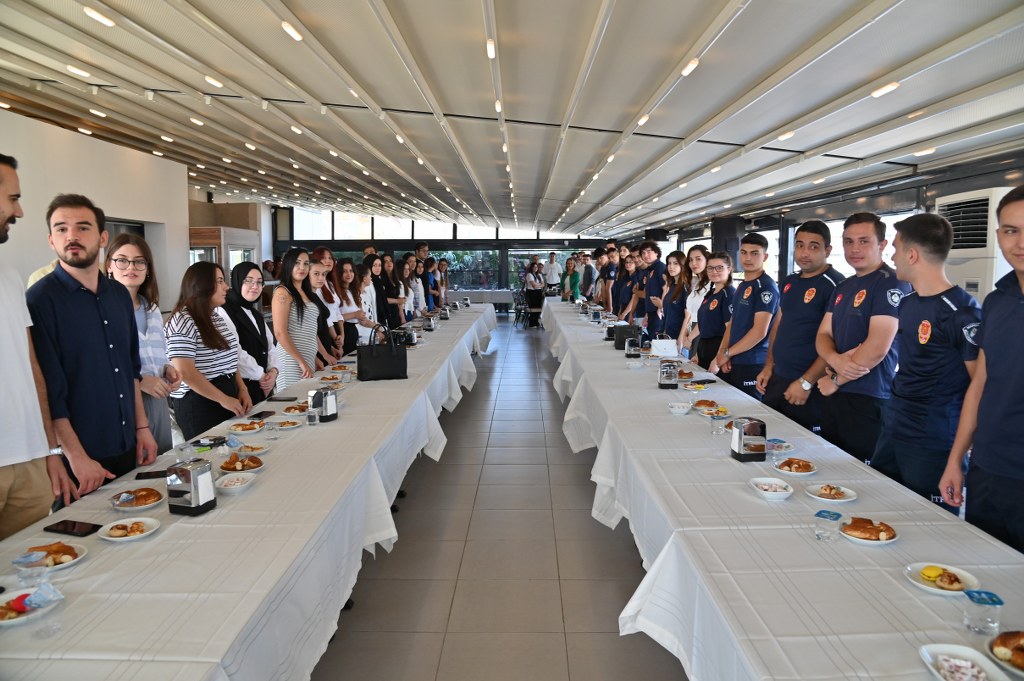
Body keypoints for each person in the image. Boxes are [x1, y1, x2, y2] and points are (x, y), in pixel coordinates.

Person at [28, 193, 158, 494]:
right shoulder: (39, 301)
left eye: (82, 227)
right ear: (51, 240)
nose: (71, 236)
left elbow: (130, 371)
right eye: (61, 228)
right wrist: (74, 456)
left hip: (128, 441)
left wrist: (142, 428)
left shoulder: (117, 295)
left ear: (102, 237)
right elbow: (49, 390)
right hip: (80, 457)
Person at [865, 214, 980, 513]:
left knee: (929, 526)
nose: (893, 256)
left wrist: (958, 457)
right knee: (880, 512)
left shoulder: (962, 313)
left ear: (912, 254)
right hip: (894, 427)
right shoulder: (908, 302)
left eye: (897, 248)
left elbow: (980, 388)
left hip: (932, 439)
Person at [940, 185, 1024, 550]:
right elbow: (981, 384)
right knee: (985, 578)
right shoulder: (997, 299)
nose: (1020, 242)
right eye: (1011, 230)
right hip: (988, 468)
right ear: (998, 236)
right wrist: (957, 459)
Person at [0, 154, 75, 537]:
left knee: (29, 575)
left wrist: (50, 450)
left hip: (27, 459)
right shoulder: (39, 288)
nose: (20, 210)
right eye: (12, 198)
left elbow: (32, 370)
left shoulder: (10, 277)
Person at [816, 213, 911, 463]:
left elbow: (877, 347)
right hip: (834, 397)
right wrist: (836, 360)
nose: (854, 249)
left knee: (862, 478)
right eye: (848, 242)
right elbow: (823, 335)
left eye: (863, 241)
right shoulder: (843, 287)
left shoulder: (892, 284)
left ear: (882, 245)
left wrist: (837, 379)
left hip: (868, 398)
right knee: (830, 470)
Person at [755, 221, 844, 432]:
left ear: (828, 250)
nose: (805, 253)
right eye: (799, 245)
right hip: (778, 378)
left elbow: (836, 342)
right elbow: (779, 323)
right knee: (766, 440)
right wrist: (769, 366)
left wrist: (806, 382)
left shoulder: (835, 285)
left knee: (801, 452)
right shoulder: (789, 281)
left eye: (813, 246)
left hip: (809, 385)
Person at [105, 233, 182, 453]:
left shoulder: (152, 309)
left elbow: (160, 353)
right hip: (124, 402)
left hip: (157, 399)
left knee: (161, 463)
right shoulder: (103, 311)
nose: (131, 267)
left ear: (148, 268)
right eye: (122, 260)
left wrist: (167, 368)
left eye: (139, 261)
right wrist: (139, 380)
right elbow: (103, 363)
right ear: (109, 265)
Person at [165, 262, 250, 440]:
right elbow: (186, 372)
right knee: (209, 458)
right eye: (219, 281)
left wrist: (242, 389)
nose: (226, 287)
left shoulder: (215, 316)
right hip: (200, 402)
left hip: (226, 396)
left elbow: (230, 361)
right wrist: (223, 399)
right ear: (201, 285)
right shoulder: (182, 320)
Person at [714, 233, 778, 400]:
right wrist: (723, 352)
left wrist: (728, 353)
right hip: (735, 359)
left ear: (765, 256)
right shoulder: (742, 285)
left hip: (753, 363)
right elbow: (733, 322)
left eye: (754, 253)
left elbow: (759, 332)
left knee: (748, 416)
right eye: (743, 252)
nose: (748, 258)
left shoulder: (766, 287)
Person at [216, 262, 279, 408]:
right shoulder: (224, 310)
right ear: (237, 281)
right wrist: (261, 376)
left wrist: (273, 371)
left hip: (262, 386)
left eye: (259, 282)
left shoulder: (256, 314)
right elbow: (234, 351)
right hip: (241, 388)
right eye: (248, 281)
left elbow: (271, 347)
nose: (255, 286)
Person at [273, 248, 323, 390]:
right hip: (291, 361)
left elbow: (309, 329)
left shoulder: (306, 292)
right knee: (293, 405)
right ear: (288, 264)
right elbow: (280, 333)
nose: (302, 267)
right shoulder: (283, 292)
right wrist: (301, 361)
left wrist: (314, 358)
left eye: (306, 263)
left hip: (306, 358)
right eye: (297, 263)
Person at [694, 252, 735, 371]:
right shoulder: (710, 293)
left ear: (729, 269)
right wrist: (698, 353)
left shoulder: (729, 294)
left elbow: (730, 329)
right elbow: (704, 325)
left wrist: (718, 358)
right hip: (704, 347)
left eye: (719, 267)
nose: (714, 271)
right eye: (710, 268)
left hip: (718, 349)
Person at [648, 251, 688, 350]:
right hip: (667, 334)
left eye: (675, 263)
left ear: (683, 265)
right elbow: (670, 310)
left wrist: (681, 338)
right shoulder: (672, 286)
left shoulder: (686, 287)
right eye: (669, 263)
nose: (671, 267)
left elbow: (688, 316)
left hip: (678, 335)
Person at [312, 246, 345, 354]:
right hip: (326, 331)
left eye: (330, 258)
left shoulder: (331, 283)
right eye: (324, 258)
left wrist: (342, 334)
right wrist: (336, 338)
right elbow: (326, 317)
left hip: (337, 330)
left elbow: (337, 311)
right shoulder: (316, 285)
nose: (328, 261)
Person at [308, 260, 340, 369]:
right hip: (315, 354)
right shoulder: (307, 298)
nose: (321, 278)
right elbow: (311, 332)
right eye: (316, 274)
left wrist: (330, 348)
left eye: (323, 274)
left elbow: (321, 328)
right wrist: (324, 355)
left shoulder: (314, 295)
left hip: (324, 351)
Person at [681, 245, 711, 357]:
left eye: (698, 259)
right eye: (691, 260)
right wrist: (685, 335)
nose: (694, 263)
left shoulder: (711, 285)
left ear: (707, 260)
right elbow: (689, 313)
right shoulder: (697, 282)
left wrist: (689, 338)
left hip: (702, 332)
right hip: (692, 330)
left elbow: (706, 317)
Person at [336, 258, 368, 355]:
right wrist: (354, 314)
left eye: (351, 271)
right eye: (344, 271)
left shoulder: (352, 291)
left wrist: (361, 316)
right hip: (343, 332)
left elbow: (360, 316)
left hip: (353, 331)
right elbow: (336, 317)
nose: (349, 274)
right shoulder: (336, 292)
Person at [639, 242, 667, 333]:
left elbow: (666, 289)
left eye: (649, 251)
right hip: (651, 313)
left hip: (658, 313)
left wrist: (661, 308)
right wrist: (647, 315)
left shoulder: (660, 267)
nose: (645, 255)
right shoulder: (650, 269)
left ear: (656, 253)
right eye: (643, 253)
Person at [364, 254, 392, 325]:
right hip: (372, 322)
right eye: (374, 265)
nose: (378, 268)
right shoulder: (367, 284)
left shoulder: (379, 281)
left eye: (379, 265)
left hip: (382, 320)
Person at [381, 254, 405, 327]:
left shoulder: (396, 280)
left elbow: (400, 302)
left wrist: (402, 318)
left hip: (396, 313)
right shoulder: (381, 280)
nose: (389, 263)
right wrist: (397, 301)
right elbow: (382, 298)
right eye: (386, 261)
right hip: (387, 314)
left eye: (390, 261)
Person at [614, 254, 637, 319]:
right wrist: (620, 311)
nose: (627, 264)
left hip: (631, 312)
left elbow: (634, 298)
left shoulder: (636, 278)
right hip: (623, 309)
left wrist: (624, 313)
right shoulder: (625, 278)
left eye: (631, 262)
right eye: (626, 262)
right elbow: (622, 296)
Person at [523, 261, 545, 327]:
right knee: (533, 308)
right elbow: (534, 286)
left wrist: (538, 285)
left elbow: (543, 284)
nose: (535, 268)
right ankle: (532, 323)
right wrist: (539, 285)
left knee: (539, 307)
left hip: (538, 293)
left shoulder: (539, 275)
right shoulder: (529, 275)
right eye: (534, 267)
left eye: (536, 267)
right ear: (531, 268)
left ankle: (536, 322)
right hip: (531, 293)